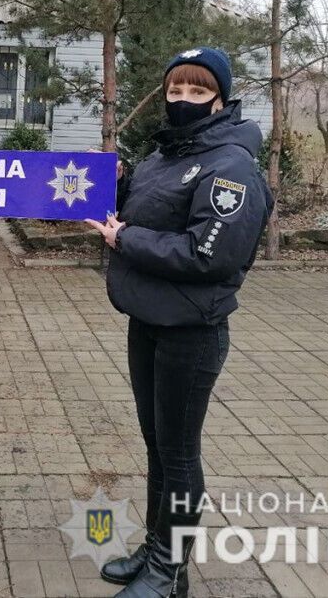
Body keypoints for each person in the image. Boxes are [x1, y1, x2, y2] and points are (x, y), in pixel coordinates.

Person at [86, 47, 273, 598]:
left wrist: (127, 238)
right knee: (156, 443)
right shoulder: (166, 156)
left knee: (178, 449)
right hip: (147, 319)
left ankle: (169, 573)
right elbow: (145, 213)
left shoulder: (230, 165)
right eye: (175, 90)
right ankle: (157, 550)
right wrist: (115, 186)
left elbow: (207, 255)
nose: (183, 100)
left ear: (220, 97)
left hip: (191, 331)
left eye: (197, 91)